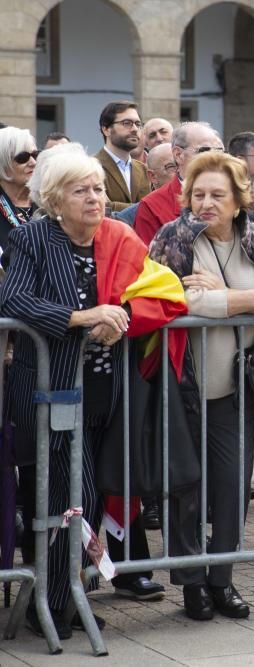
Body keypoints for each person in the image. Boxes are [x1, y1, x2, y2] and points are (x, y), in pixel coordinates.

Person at [1, 143, 185, 638]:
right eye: (80, 190)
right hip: (52, 387)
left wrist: (121, 318)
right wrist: (83, 318)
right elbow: (13, 297)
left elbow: (156, 291)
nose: (94, 198)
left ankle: (69, 590)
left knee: (91, 490)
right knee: (65, 491)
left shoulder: (118, 236)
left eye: (98, 188)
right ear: (54, 199)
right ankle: (57, 601)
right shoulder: (36, 238)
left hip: (107, 385)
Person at [148, 151, 254, 621]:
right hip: (183, 384)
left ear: (240, 200)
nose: (206, 203)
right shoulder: (174, 238)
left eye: (218, 194)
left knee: (233, 488)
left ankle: (223, 579)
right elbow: (168, 301)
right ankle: (192, 583)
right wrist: (246, 299)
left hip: (238, 388)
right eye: (198, 194)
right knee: (186, 486)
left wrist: (215, 296)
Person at [134, 121, 224, 245]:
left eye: (219, 151)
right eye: (204, 150)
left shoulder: (233, 197)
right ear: (178, 154)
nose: (214, 158)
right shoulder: (152, 206)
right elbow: (150, 261)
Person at [93, 101, 150, 213]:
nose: (134, 129)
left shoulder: (143, 169)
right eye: (126, 123)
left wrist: (114, 206)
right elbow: (101, 208)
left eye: (138, 124)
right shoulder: (91, 167)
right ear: (106, 130)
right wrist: (144, 208)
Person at [0, 126, 39, 252]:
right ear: (3, 164)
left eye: (35, 155)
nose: (33, 162)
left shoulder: (49, 202)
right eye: (22, 158)